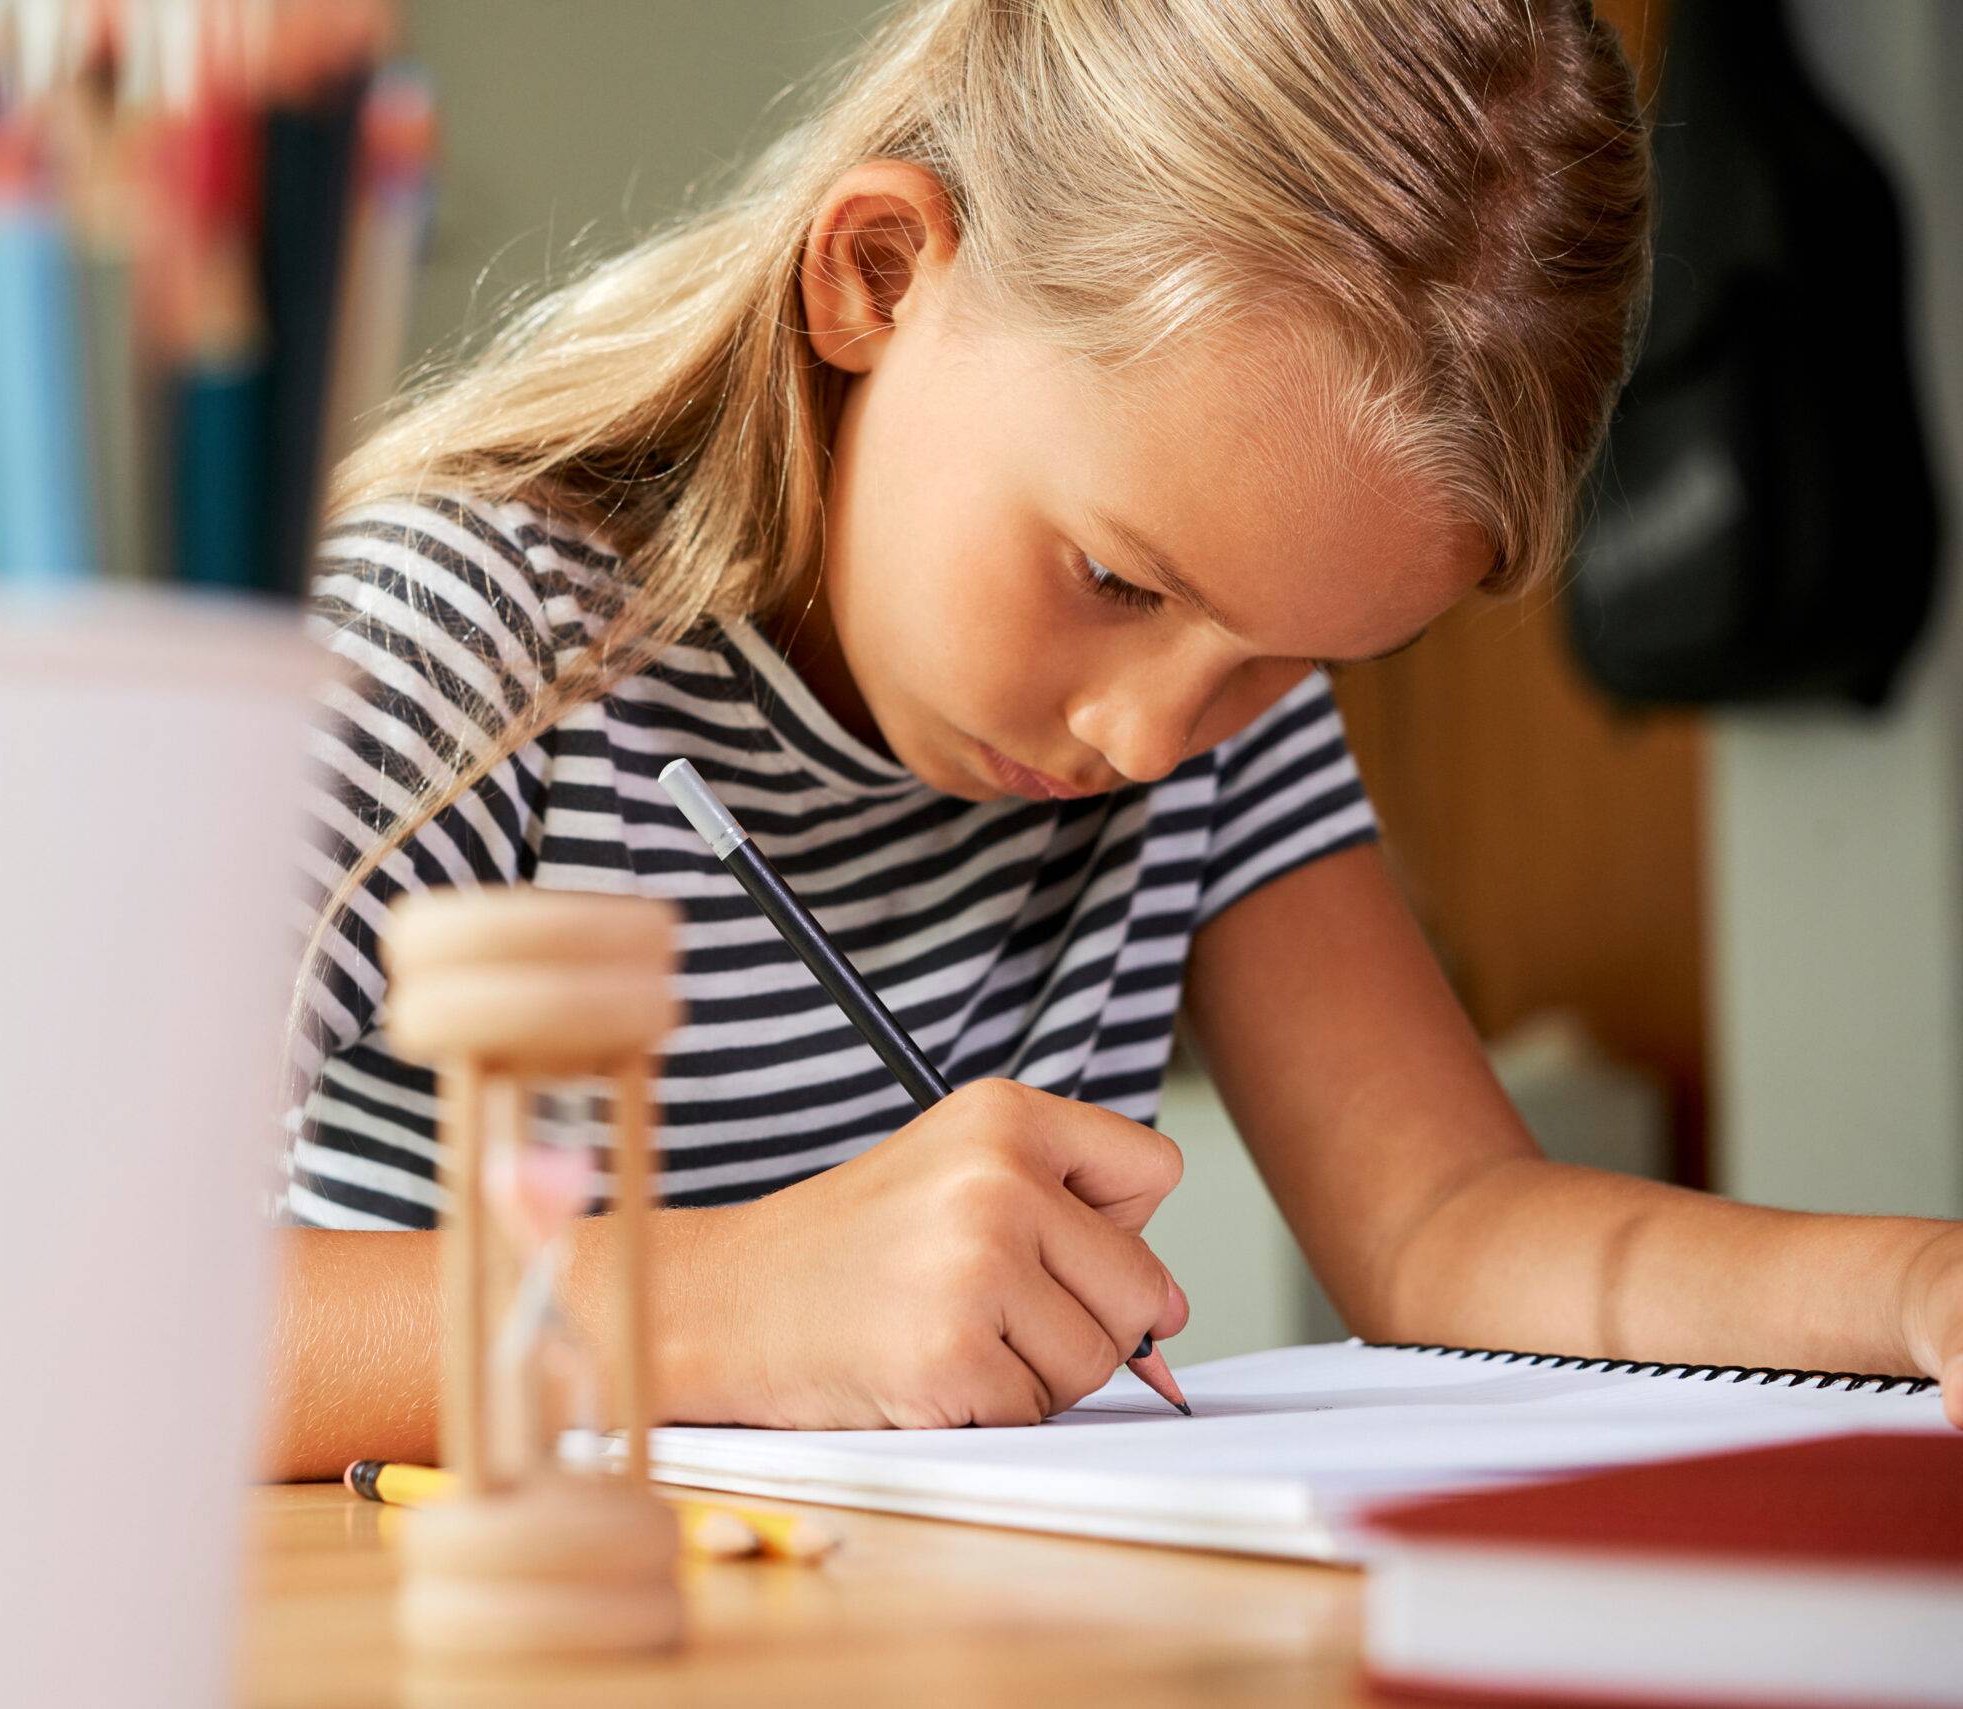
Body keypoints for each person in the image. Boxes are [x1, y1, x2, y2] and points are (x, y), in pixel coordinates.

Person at [267, 0, 1963, 1480]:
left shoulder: (1220, 700)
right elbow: (32, 1283)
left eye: (1290, 658)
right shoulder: (473, 642)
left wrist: (1914, 1291)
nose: (1158, 740)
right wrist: (729, 1304)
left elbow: (1450, 1228)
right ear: (878, 273)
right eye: (1112, 577)